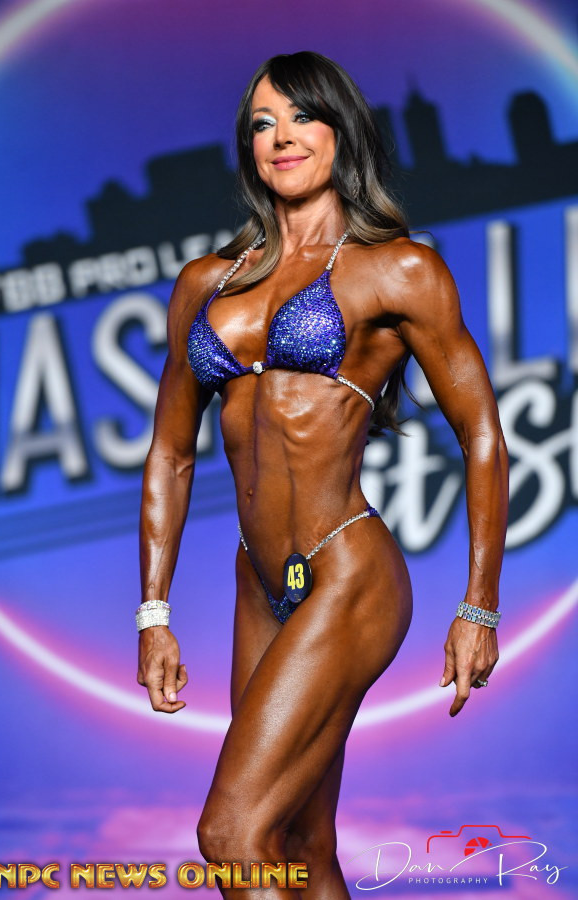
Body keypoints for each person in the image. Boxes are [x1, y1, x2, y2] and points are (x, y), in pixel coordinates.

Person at [136, 51, 508, 899]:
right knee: (299, 844)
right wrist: (153, 615)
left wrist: (478, 606)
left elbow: (482, 433)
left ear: (342, 132)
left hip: (348, 573)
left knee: (230, 832)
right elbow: (171, 453)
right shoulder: (206, 283)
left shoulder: (398, 269)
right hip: (259, 585)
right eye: (262, 124)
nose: (282, 137)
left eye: (302, 116)